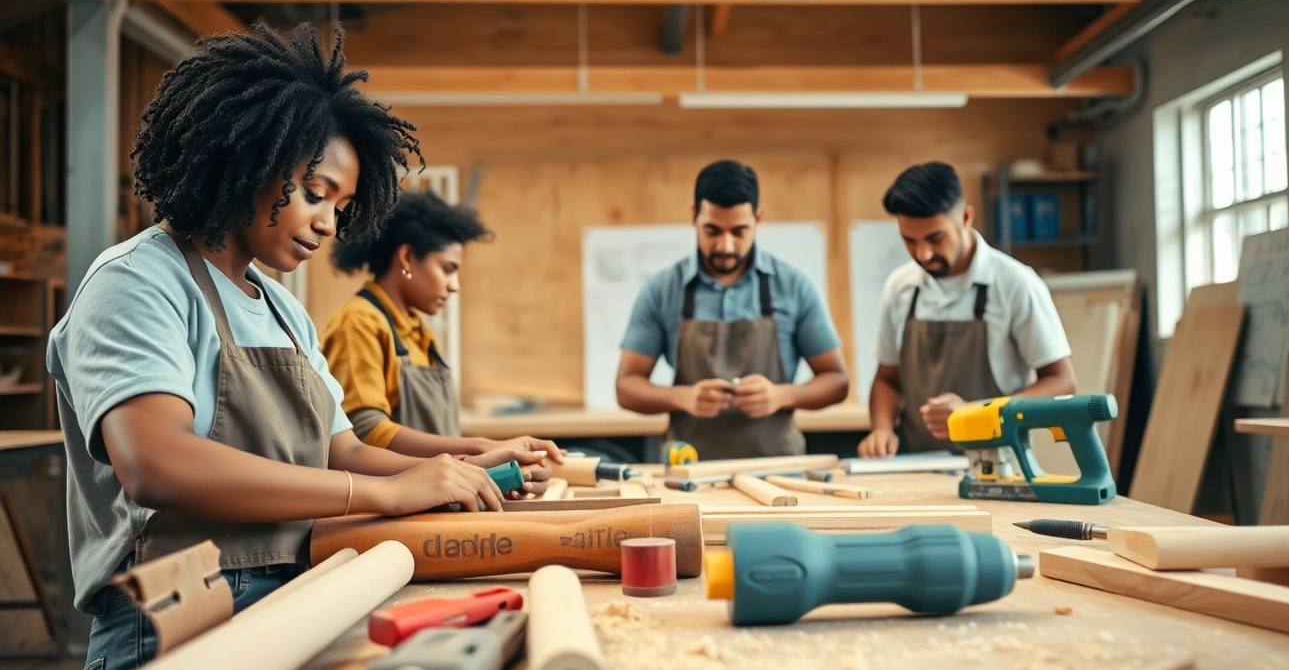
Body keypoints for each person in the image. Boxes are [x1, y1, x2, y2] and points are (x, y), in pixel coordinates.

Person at [47, 22, 547, 670]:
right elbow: (157, 463)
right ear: (248, 159)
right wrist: (383, 494)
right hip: (176, 616)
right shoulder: (137, 281)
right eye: (315, 192)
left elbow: (343, 449)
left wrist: (459, 467)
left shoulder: (284, 310)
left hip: (303, 593)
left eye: (341, 207)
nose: (329, 225)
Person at [615, 159, 849, 460]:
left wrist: (781, 395)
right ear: (693, 216)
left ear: (758, 218)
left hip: (778, 468)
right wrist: (683, 397)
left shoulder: (794, 286)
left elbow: (836, 380)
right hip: (689, 469)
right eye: (712, 230)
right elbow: (626, 387)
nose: (725, 246)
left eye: (739, 231)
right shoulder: (662, 290)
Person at [321, 192, 563, 463]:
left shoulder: (420, 333)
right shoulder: (358, 322)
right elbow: (366, 431)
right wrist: (480, 447)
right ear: (408, 257)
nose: (454, 286)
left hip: (437, 486)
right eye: (448, 270)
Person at [858, 161, 1076, 457]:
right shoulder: (899, 287)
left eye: (935, 238)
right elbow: (887, 379)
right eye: (909, 240)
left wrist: (978, 414)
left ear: (966, 218)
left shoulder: (1015, 283)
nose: (923, 254)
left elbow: (1062, 382)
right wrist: (882, 428)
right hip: (918, 465)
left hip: (1000, 465)